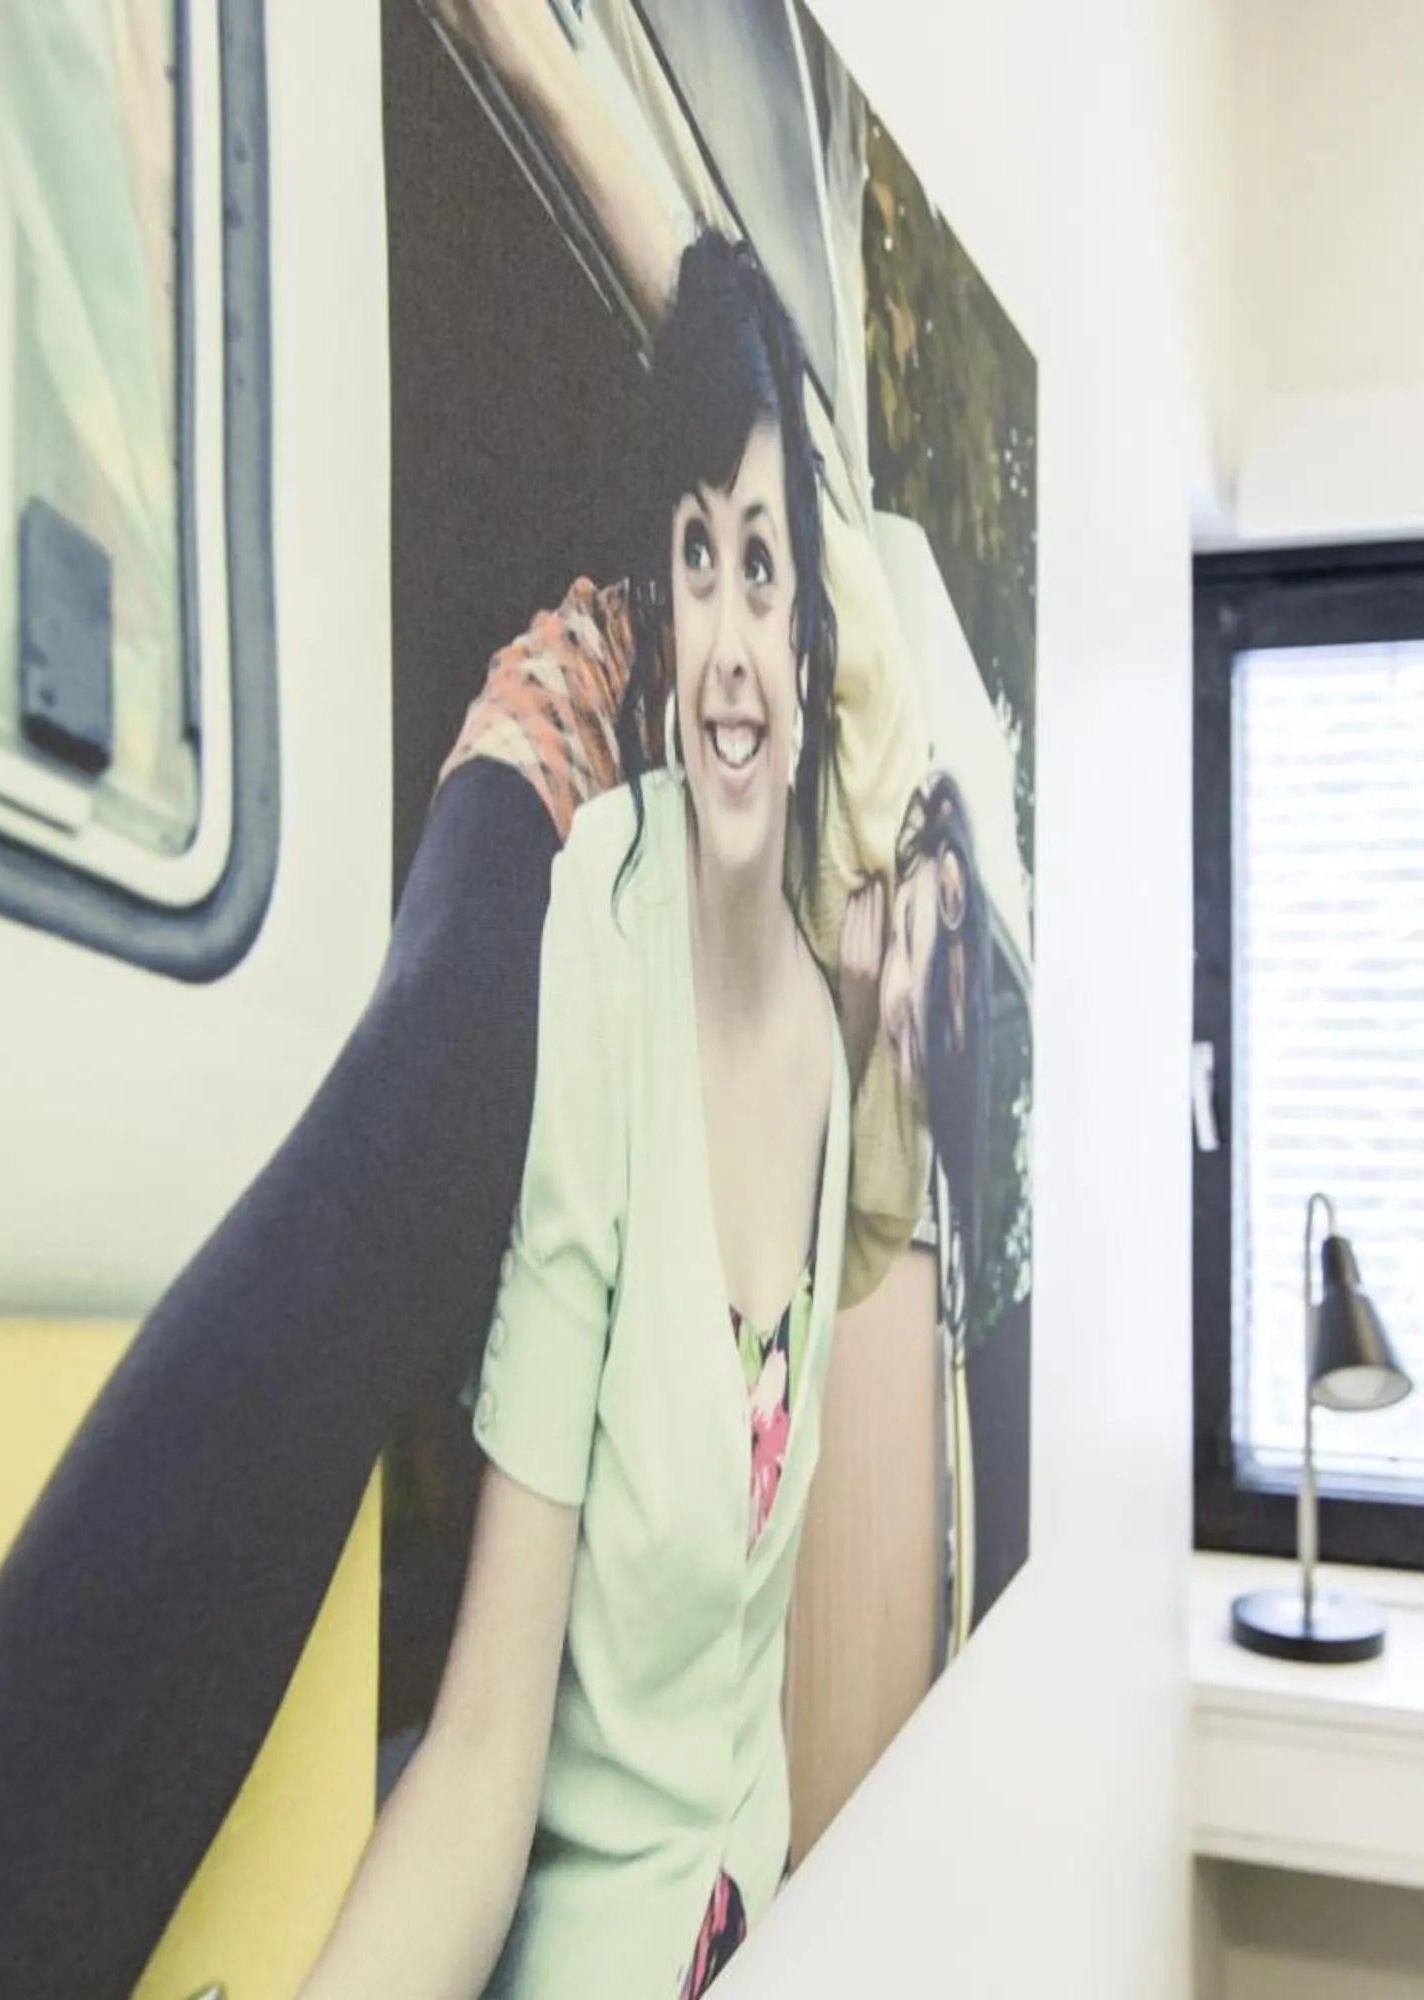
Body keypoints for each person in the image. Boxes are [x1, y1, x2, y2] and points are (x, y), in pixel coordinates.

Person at [297, 231, 851, 2000]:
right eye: (697, 563)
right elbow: (478, 1760)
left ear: (824, 630)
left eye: (768, 570)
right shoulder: (596, 944)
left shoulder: (831, 1052)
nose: (735, 645)